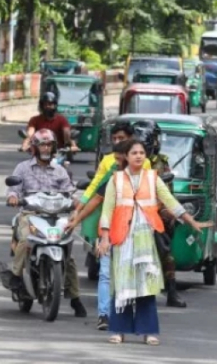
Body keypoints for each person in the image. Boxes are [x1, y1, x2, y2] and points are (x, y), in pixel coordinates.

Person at [97, 140, 213, 345]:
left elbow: (170, 201)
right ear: (125, 156)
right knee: (122, 285)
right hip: (122, 239)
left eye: (142, 153)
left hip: (145, 240)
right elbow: (107, 210)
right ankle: (118, 330)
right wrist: (105, 238)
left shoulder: (153, 179)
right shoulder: (115, 180)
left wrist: (190, 220)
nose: (139, 156)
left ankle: (148, 331)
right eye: (134, 153)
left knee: (146, 286)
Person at [6, 128, 87, 317]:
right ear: (35, 147)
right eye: (42, 144)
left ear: (54, 147)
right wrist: (12, 197)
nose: (46, 147)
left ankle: (75, 298)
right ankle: (16, 278)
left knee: (69, 254)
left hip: (56, 216)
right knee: (25, 241)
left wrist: (76, 200)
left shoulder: (60, 170)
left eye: (49, 144)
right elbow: (13, 189)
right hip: (30, 214)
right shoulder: (22, 168)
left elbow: (69, 191)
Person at [66, 141, 131, 330]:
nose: (118, 164)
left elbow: (162, 200)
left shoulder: (145, 178)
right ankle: (104, 315)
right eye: (117, 159)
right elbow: (96, 199)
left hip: (134, 233)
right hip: (109, 230)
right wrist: (76, 219)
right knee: (105, 274)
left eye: (120, 160)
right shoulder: (113, 177)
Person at [132, 120, 188, 308]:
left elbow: (166, 192)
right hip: (129, 210)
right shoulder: (126, 159)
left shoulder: (161, 163)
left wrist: (164, 211)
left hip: (153, 212)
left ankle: (171, 292)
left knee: (165, 249)